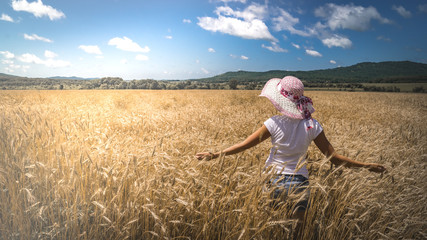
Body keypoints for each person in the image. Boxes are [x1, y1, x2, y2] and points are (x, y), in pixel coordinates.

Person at [195, 76, 386, 232]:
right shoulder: (313, 125)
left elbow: (244, 145)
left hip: (272, 182)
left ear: (281, 100)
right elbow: (334, 159)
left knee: (269, 230)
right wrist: (367, 166)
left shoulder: (273, 123)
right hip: (300, 185)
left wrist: (214, 154)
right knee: (296, 233)